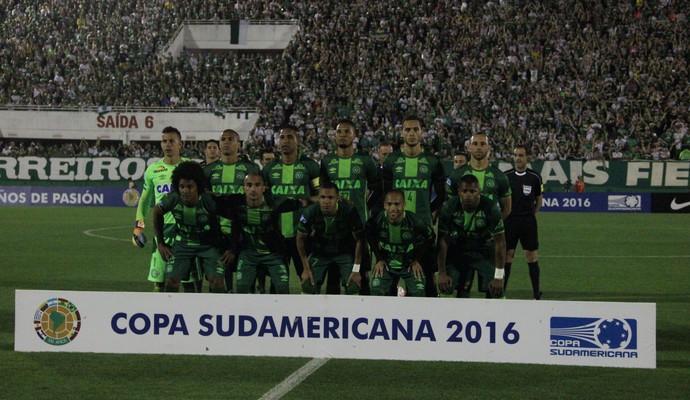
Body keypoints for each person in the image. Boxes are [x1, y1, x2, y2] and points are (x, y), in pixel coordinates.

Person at [382, 116, 446, 297]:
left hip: (422, 230)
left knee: (426, 281)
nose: (411, 133)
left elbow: (441, 195)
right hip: (395, 229)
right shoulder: (391, 161)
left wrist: (429, 209)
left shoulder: (432, 161)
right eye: (408, 130)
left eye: (415, 129)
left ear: (422, 132)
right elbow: (385, 195)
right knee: (390, 282)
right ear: (402, 133)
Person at [217, 172, 305, 294]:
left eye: (257, 185)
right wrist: (232, 248)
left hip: (273, 254)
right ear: (244, 188)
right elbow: (215, 201)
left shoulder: (275, 203)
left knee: (283, 290)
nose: (253, 189)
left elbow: (302, 203)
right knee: (241, 290)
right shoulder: (236, 203)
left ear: (263, 188)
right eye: (249, 185)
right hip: (248, 254)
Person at [447, 132, 511, 297]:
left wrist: (492, 229)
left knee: (493, 290)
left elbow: (506, 208)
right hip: (462, 243)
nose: (479, 147)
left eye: (483, 144)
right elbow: (450, 207)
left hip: (488, 245)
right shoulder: (457, 175)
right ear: (469, 147)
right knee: (462, 290)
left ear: (489, 147)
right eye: (475, 144)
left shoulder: (499, 177)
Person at [319, 119, 380, 295]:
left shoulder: (365, 160)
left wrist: (365, 205)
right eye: (339, 132)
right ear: (334, 136)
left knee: (362, 272)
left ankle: (364, 310)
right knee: (333, 272)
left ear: (354, 136)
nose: (343, 135)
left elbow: (377, 186)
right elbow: (322, 190)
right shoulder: (327, 161)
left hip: (359, 223)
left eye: (347, 132)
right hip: (333, 225)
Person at [153, 161, 232, 293]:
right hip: (183, 243)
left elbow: (235, 217)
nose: (185, 191)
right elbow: (157, 211)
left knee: (217, 281)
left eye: (190, 187)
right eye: (181, 186)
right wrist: (160, 243)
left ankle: (218, 312)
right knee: (171, 281)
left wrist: (231, 248)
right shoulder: (173, 198)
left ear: (198, 187)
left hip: (209, 245)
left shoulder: (209, 201)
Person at [132, 126, 194, 292]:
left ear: (180, 144)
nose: (168, 145)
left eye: (172, 141)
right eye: (164, 141)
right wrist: (139, 226)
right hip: (163, 230)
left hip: (187, 229)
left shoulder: (190, 167)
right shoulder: (153, 170)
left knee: (188, 282)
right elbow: (145, 200)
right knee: (159, 282)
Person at [262, 126, 320, 290]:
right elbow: (265, 200)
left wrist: (306, 201)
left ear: (297, 141)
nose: (285, 141)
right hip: (277, 234)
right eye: (282, 138)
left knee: (308, 282)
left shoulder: (310, 166)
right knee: (277, 284)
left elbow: (320, 197)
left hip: (303, 233)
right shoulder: (269, 169)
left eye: (289, 137)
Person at [204, 129, 260, 292]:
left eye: (230, 139)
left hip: (245, 231)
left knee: (247, 280)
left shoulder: (250, 169)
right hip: (217, 232)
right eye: (223, 139)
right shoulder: (209, 170)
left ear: (238, 144)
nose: (226, 142)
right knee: (218, 279)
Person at [437, 174, 506, 299]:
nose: (468, 195)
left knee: (497, 288)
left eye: (473, 191)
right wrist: (442, 273)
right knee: (445, 286)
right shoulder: (449, 207)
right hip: (457, 252)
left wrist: (499, 276)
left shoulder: (490, 208)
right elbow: (442, 241)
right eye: (465, 191)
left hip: (483, 252)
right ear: (459, 192)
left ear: (479, 191)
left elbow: (500, 242)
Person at [296, 182, 364, 295]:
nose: (326, 201)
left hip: (344, 252)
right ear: (318, 198)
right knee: (308, 285)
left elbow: (360, 240)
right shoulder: (310, 212)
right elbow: (300, 239)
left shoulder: (349, 211)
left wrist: (356, 270)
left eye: (330, 197)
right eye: (322, 197)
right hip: (320, 253)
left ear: (338, 198)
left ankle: (348, 311)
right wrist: (306, 268)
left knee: (353, 286)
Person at [366, 190, 433, 297]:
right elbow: (369, 235)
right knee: (376, 292)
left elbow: (430, 237)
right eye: (389, 204)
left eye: (397, 204)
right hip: (387, 265)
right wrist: (379, 258)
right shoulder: (377, 220)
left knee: (418, 293)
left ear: (404, 205)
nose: (393, 208)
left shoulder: (415, 221)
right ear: (384, 205)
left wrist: (417, 260)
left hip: (409, 266)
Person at [504, 146, 543, 300]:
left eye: (521, 155)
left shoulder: (535, 177)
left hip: (528, 222)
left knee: (532, 256)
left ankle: (536, 293)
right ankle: (501, 292)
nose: (518, 158)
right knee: (507, 255)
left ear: (527, 157)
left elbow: (539, 200)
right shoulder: (506, 176)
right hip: (510, 221)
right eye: (515, 155)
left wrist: (530, 214)